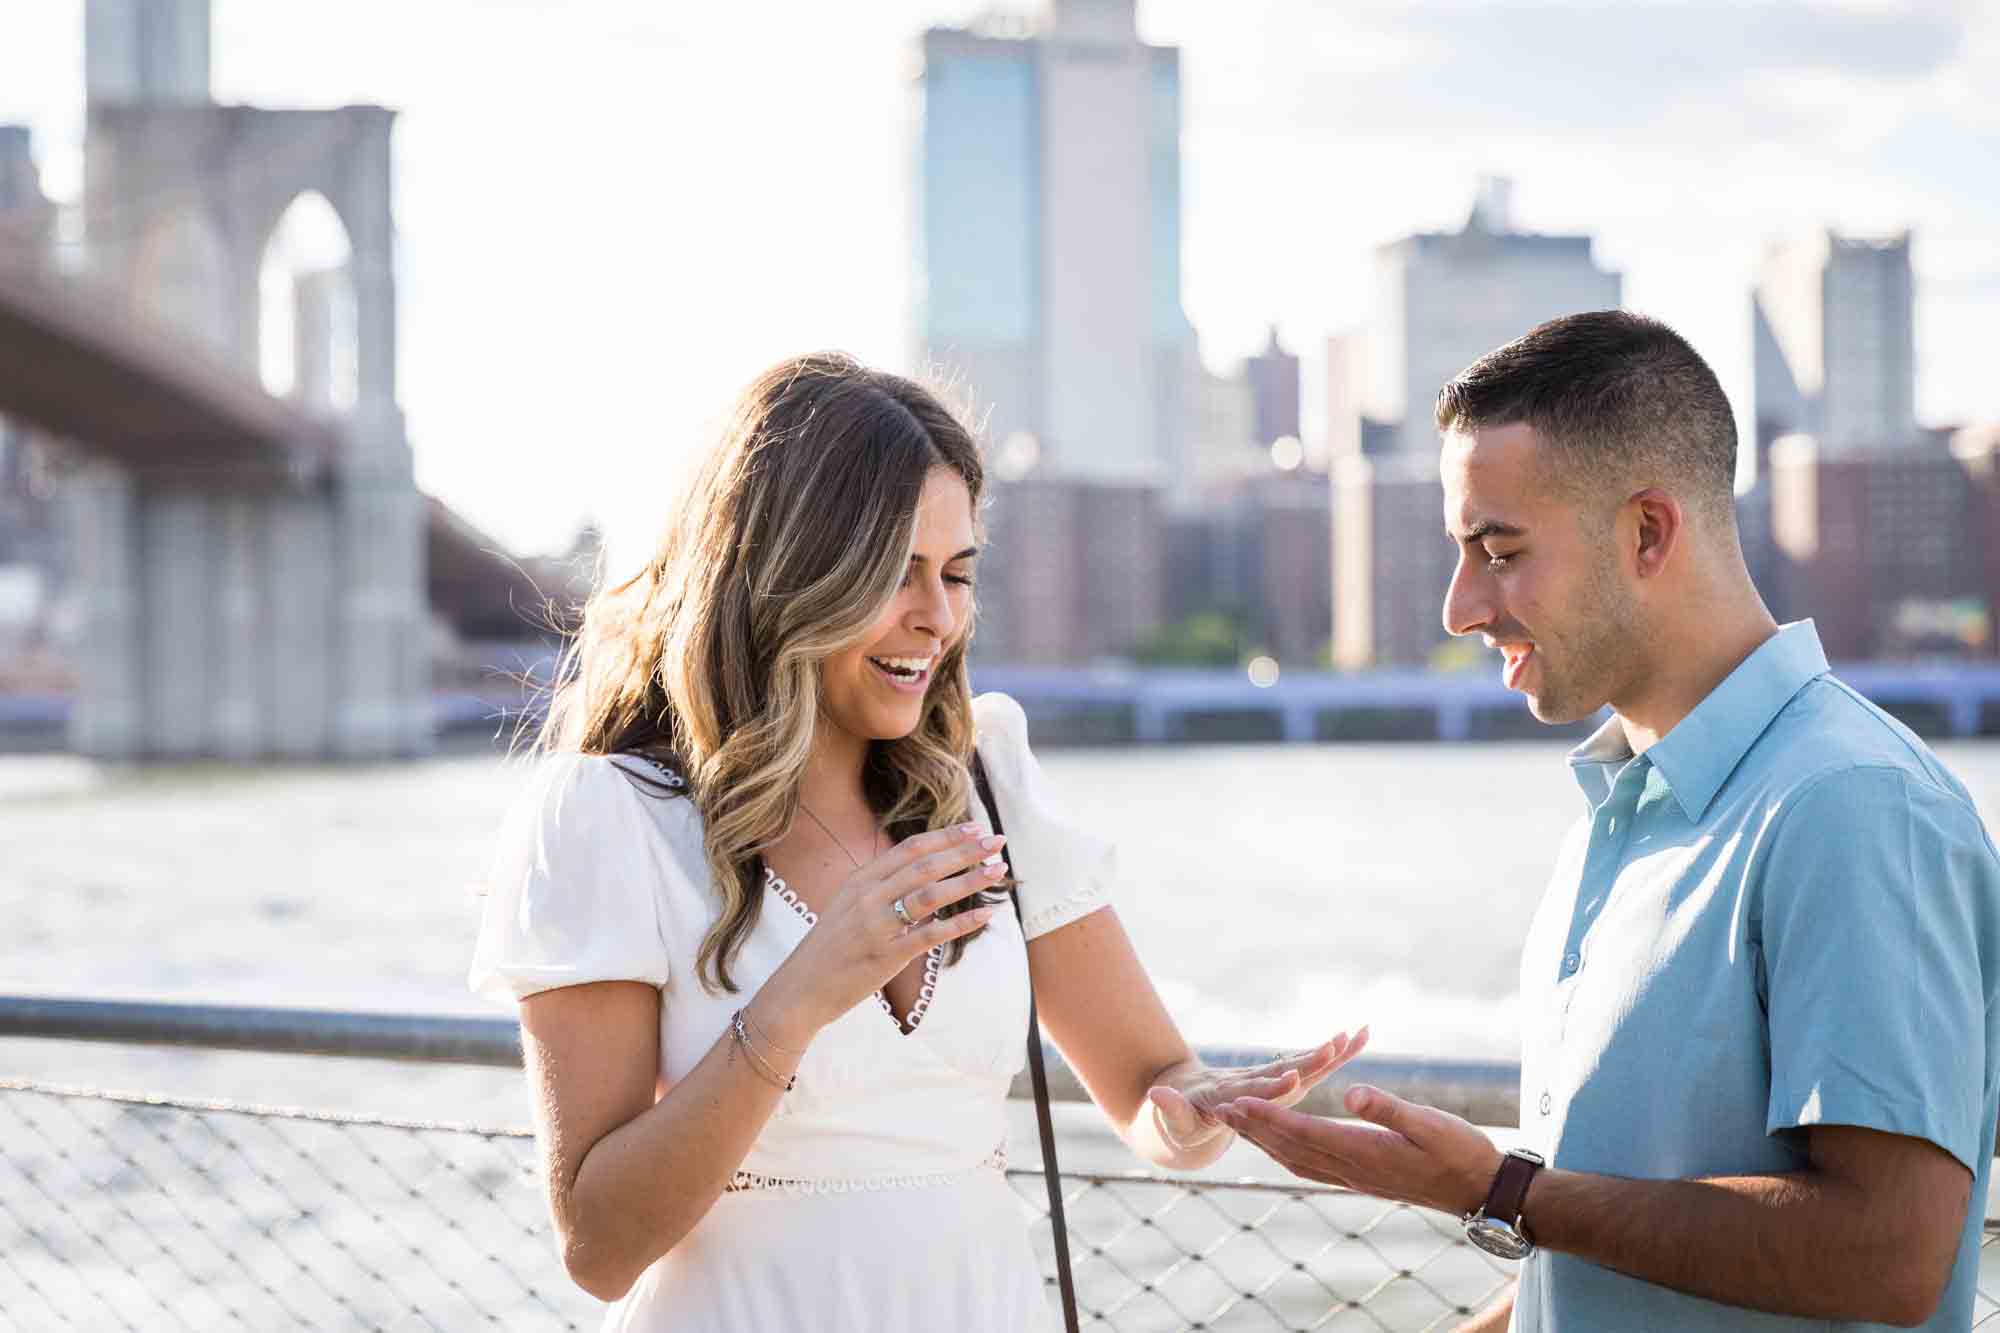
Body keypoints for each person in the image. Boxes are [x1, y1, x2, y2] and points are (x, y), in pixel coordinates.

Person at [468, 352, 1367, 1331]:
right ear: (778, 572)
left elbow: (1151, 1089)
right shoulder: (607, 817)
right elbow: (598, 1246)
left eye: (955, 574)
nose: (936, 619)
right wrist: (800, 994)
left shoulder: (987, 779)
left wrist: (1201, 1111)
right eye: (894, 574)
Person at [1216, 311, 2000, 1331]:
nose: (1459, 606)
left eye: (1496, 550)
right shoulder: (1617, 811)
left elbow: (1883, 1255)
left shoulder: (1851, 807)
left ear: (1645, 531)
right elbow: (1610, 1238)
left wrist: (1499, 1191)